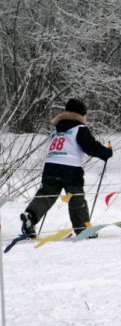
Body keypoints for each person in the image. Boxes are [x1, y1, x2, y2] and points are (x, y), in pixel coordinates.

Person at [20, 98, 113, 238]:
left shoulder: (58, 130)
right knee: (76, 198)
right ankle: (83, 229)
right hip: (70, 169)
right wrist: (106, 153)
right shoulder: (80, 129)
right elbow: (90, 146)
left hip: (50, 167)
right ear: (81, 115)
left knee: (46, 195)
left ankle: (30, 216)